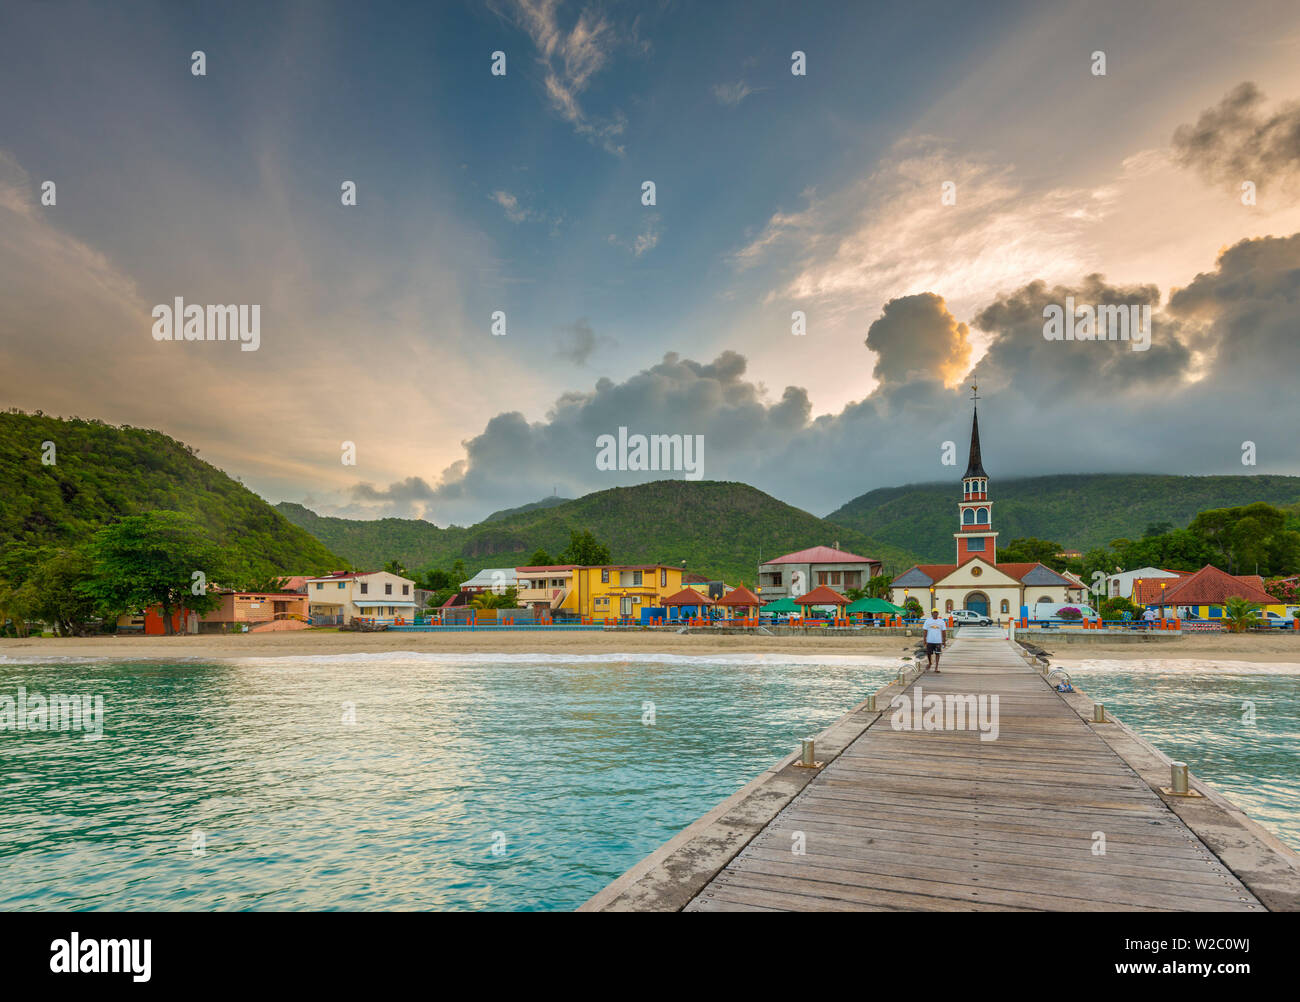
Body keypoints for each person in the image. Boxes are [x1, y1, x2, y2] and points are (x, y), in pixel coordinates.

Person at [922, 608, 947, 672]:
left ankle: (936, 667)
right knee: (928, 653)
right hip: (929, 640)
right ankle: (930, 662)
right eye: (934, 612)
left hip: (938, 641)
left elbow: (944, 632)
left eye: (936, 612)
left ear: (938, 613)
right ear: (932, 614)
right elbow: (925, 630)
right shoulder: (928, 621)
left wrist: (944, 641)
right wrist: (924, 640)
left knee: (937, 654)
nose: (935, 614)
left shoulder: (941, 621)